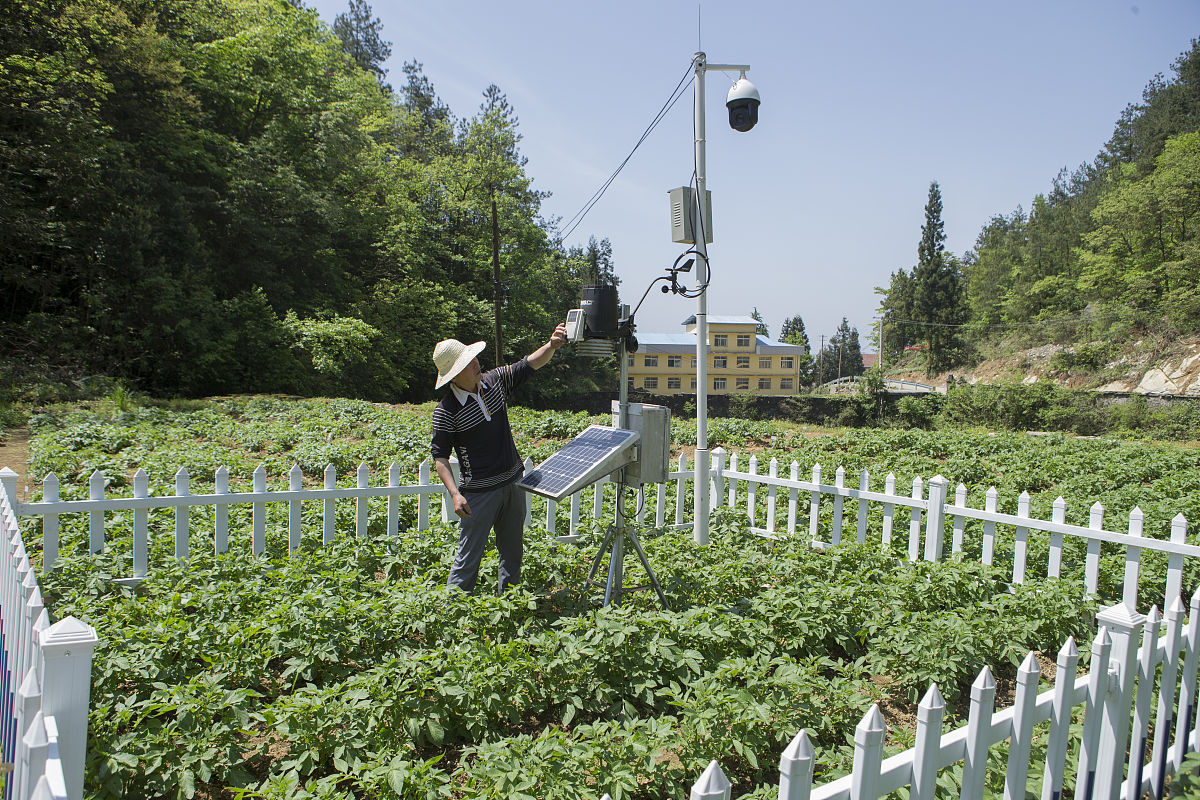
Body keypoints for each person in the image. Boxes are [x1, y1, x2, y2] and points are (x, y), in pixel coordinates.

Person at [430, 323, 568, 593]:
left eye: (474, 359)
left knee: (513, 553)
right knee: (468, 558)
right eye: (469, 364)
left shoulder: (494, 381)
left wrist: (551, 346)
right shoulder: (445, 411)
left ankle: (509, 604)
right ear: (455, 375)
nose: (476, 365)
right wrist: (455, 494)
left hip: (513, 484)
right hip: (479, 494)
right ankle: (452, 613)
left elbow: (528, 364)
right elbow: (440, 458)